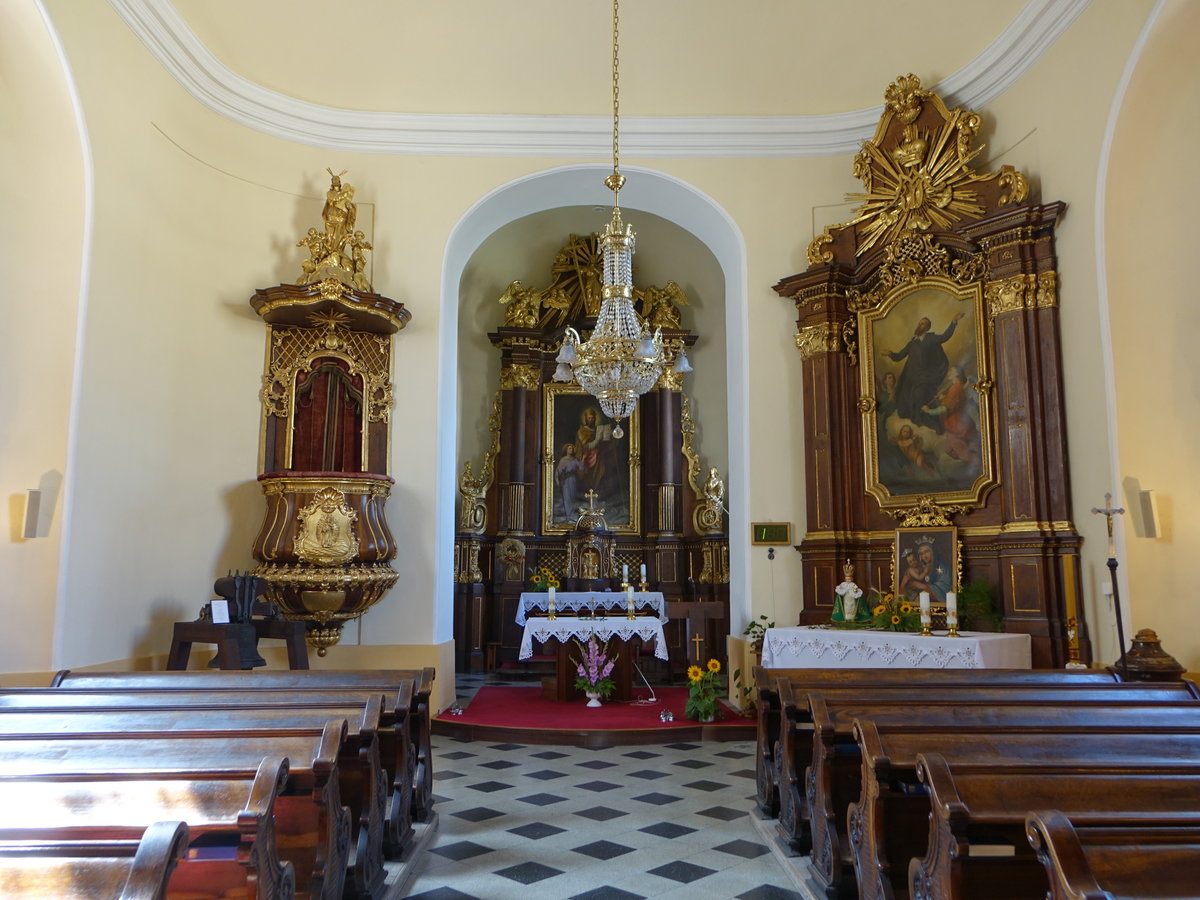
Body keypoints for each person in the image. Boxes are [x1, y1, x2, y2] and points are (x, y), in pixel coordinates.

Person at [884, 311, 965, 431]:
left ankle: (926, 423)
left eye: (924, 324)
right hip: (911, 377)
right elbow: (899, 356)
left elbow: (945, 336)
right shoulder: (912, 343)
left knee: (920, 398)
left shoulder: (931, 338)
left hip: (925, 377)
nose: (921, 325)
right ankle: (915, 422)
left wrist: (954, 322)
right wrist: (890, 354)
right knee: (907, 399)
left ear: (927, 327)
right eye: (920, 323)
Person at [555, 443, 583, 521]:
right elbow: (558, 471)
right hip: (565, 481)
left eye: (572, 448)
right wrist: (557, 479)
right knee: (567, 497)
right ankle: (569, 515)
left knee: (572, 497)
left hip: (573, 480)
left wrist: (583, 459)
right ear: (566, 450)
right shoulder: (563, 460)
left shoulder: (575, 460)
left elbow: (581, 468)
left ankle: (568, 513)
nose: (571, 450)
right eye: (569, 448)